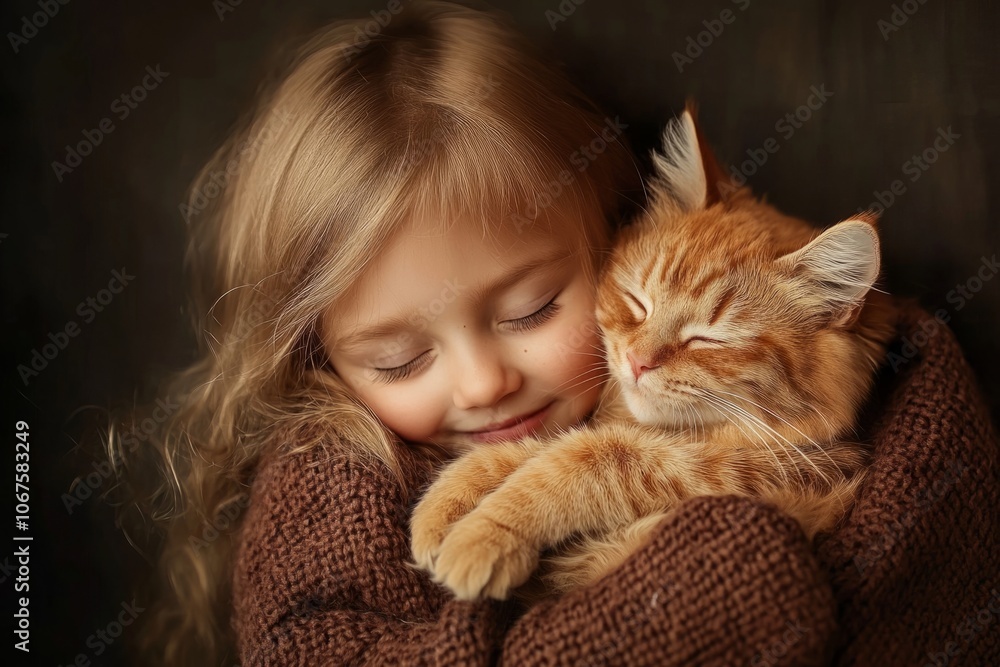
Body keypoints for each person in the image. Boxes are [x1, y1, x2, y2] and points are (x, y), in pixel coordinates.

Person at [107, 1, 999, 666]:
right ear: (318, 355)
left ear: (604, 234)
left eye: (532, 311)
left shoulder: (886, 417)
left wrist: (554, 481)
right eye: (398, 357)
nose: (485, 383)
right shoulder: (331, 481)